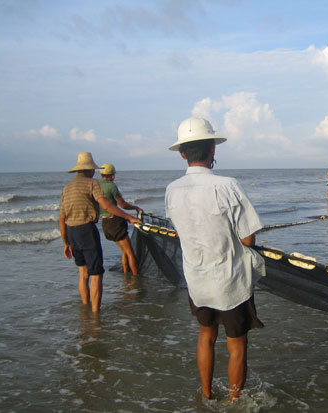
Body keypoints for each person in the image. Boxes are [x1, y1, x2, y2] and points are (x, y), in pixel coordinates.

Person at [165, 117, 265, 401]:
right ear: (213, 149)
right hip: (230, 283)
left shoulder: (172, 190)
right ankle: (234, 401)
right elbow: (248, 239)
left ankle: (206, 396)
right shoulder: (228, 186)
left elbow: (181, 231)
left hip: (197, 282)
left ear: (182, 153)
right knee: (237, 344)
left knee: (206, 336)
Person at [59, 152, 141, 312]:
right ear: (90, 170)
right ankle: (96, 314)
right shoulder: (92, 183)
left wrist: (66, 243)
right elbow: (106, 205)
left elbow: (62, 218)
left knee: (83, 273)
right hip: (86, 231)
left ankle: (85, 309)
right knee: (96, 274)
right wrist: (129, 217)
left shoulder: (67, 188)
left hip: (71, 232)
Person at [98, 163, 143, 276]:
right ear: (112, 175)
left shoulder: (97, 185)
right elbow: (122, 205)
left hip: (105, 223)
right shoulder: (111, 186)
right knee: (130, 252)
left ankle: (126, 274)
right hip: (115, 223)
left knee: (124, 251)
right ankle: (136, 278)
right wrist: (135, 207)